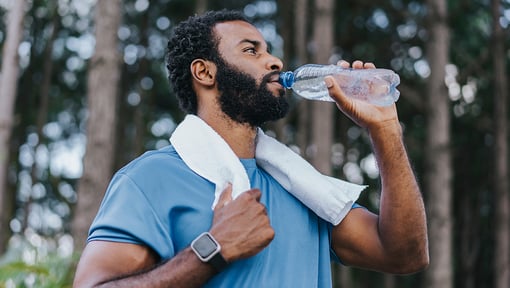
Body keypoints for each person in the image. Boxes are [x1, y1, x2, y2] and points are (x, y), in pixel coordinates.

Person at [73, 9, 429, 288]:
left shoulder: (302, 188)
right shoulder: (149, 179)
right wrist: (212, 250)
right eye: (251, 50)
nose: (274, 62)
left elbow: (405, 256)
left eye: (270, 51)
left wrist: (385, 131)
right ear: (204, 72)